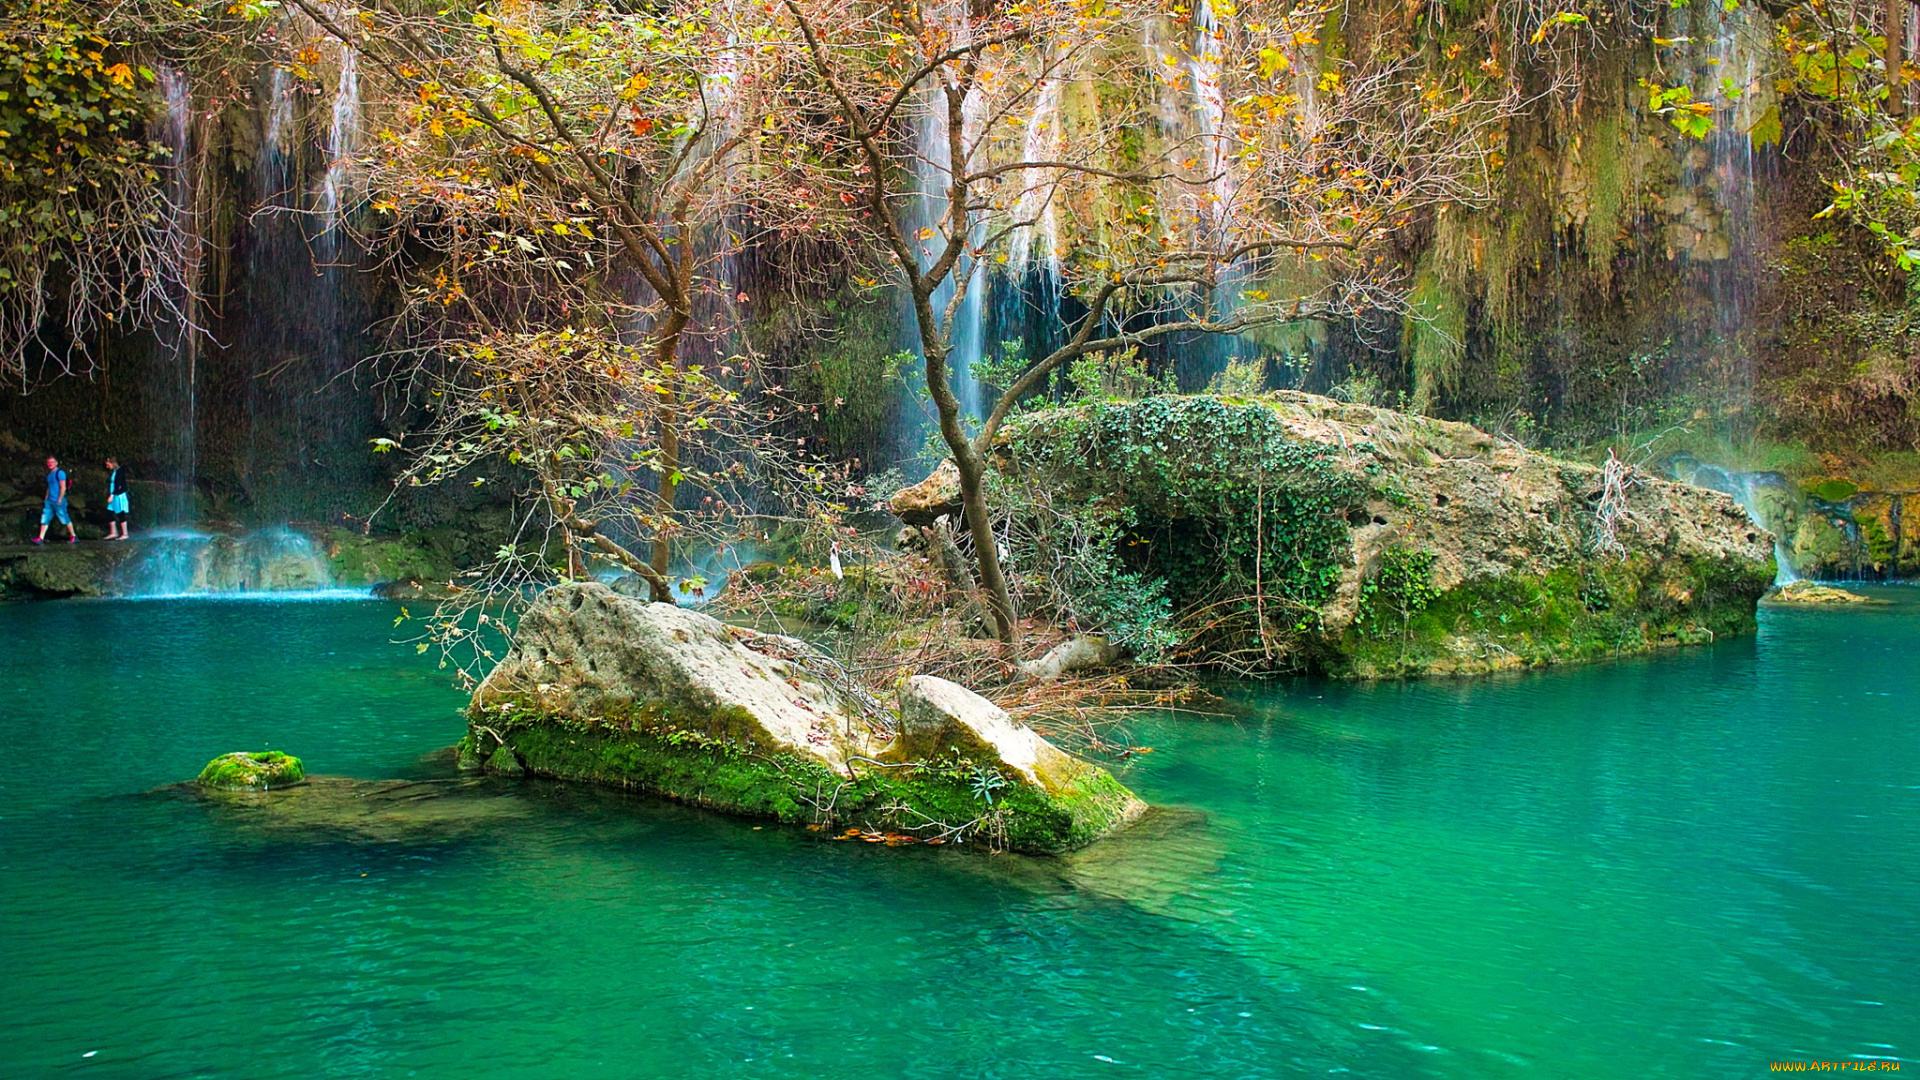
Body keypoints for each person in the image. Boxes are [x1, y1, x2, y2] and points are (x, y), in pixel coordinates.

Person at [33, 456, 77, 544]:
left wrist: (60, 498)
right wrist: (46, 498)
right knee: (45, 519)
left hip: (58, 500)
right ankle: (40, 538)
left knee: (64, 518)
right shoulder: (49, 475)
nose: (50, 464)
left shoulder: (60, 473)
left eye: (52, 462)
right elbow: (49, 487)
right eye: (49, 462)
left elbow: (63, 487)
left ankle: (73, 536)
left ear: (56, 463)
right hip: (49, 501)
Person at [104, 457, 131, 540]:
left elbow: (118, 485)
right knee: (109, 512)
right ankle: (114, 532)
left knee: (120, 513)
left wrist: (112, 495)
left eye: (108, 465)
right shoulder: (115, 471)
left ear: (112, 463)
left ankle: (125, 534)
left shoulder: (120, 471)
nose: (107, 467)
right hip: (114, 495)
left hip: (118, 495)